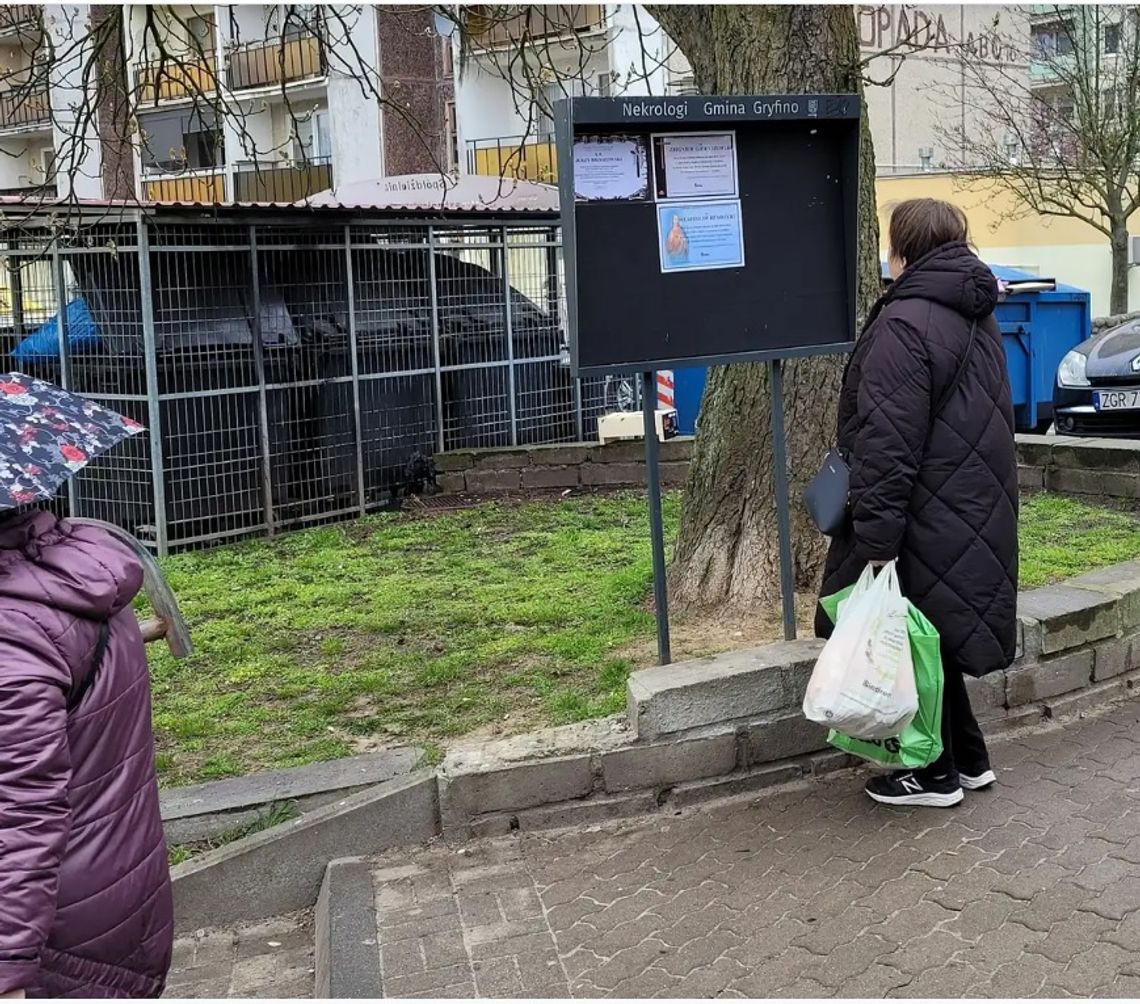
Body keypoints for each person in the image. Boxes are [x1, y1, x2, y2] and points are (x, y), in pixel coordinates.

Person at [816, 197, 1019, 809]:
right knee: (936, 632)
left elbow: (885, 442)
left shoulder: (904, 325)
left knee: (910, 632)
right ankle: (970, 759)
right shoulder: (975, 316)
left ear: (900, 251)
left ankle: (931, 775)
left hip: (925, 508)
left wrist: (876, 541)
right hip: (971, 503)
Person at [0, 508, 173, 998]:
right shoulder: (67, 570)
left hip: (53, 941)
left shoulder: (10, 637)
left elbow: (20, 817)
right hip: (116, 894)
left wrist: (7, 968)